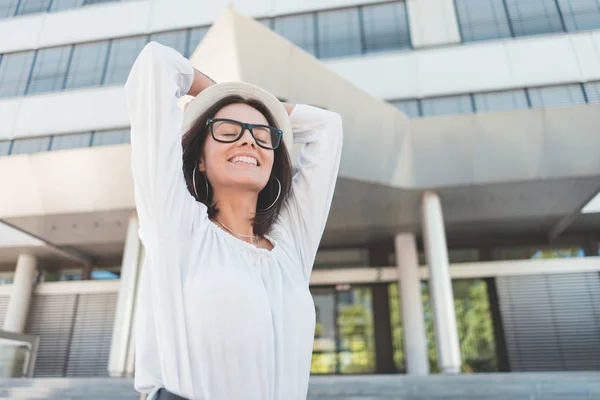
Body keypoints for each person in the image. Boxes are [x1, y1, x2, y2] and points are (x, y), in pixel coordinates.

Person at [125, 41, 343, 400]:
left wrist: (244, 107)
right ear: (199, 160)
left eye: (262, 135)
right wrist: (216, 95)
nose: (248, 142)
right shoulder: (179, 228)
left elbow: (327, 128)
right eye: (228, 131)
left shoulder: (290, 247)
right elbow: (155, 64)